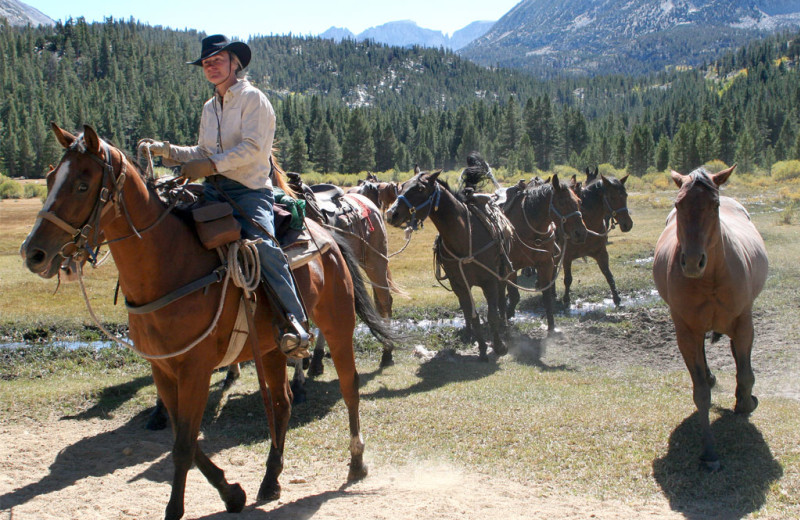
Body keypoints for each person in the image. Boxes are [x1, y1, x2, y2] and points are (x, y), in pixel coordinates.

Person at [139, 34, 311, 358]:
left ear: (235, 62)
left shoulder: (253, 99)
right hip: (213, 190)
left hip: (248, 192)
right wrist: (169, 151)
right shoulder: (209, 107)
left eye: (217, 60)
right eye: (206, 63)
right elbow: (202, 150)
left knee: (265, 247)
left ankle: (296, 325)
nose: (211, 66)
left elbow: (252, 148)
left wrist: (208, 164)